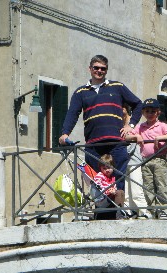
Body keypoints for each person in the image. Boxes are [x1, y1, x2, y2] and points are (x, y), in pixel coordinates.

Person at [59, 55, 142, 192]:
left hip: (117, 143)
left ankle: (117, 212)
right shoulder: (80, 92)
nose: (99, 71)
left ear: (107, 70)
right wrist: (65, 133)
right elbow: (72, 114)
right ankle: (100, 212)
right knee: (96, 182)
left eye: (103, 68)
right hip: (93, 145)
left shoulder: (117, 87)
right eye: (96, 68)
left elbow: (138, 104)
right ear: (90, 69)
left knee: (118, 181)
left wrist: (130, 125)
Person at [126, 98, 167, 219]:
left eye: (152, 111)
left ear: (158, 112)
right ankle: (151, 211)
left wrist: (160, 137)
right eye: (147, 111)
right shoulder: (140, 127)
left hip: (159, 159)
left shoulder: (162, 125)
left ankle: (163, 210)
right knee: (148, 187)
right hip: (145, 160)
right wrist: (136, 136)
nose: (150, 114)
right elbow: (127, 137)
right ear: (143, 113)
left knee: (161, 185)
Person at [122, 103, 147, 218]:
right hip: (123, 160)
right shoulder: (118, 124)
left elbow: (132, 142)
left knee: (137, 188)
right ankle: (128, 211)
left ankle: (143, 211)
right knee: (126, 189)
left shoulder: (134, 125)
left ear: (127, 110)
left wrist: (133, 137)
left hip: (134, 160)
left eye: (121, 107)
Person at [93, 154, 125, 220]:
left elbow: (114, 188)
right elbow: (97, 187)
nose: (107, 170)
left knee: (121, 192)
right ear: (100, 168)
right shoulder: (100, 176)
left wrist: (113, 190)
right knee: (118, 193)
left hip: (109, 196)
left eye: (109, 168)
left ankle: (121, 210)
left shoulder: (112, 178)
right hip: (102, 199)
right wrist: (108, 191)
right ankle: (119, 212)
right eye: (104, 168)